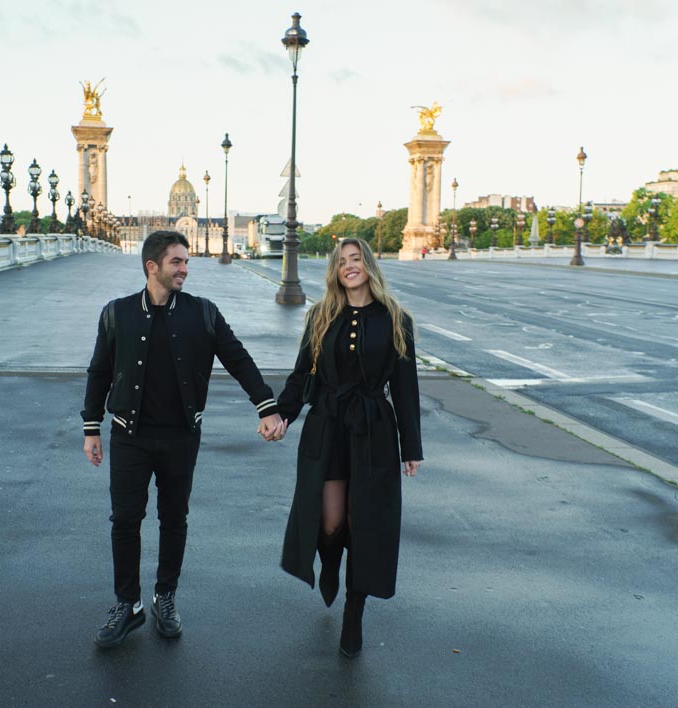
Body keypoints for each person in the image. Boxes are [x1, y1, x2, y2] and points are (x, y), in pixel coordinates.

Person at [82, 230, 284, 649]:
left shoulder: (203, 313)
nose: (185, 269)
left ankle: (165, 596)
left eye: (186, 262)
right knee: (125, 520)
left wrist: (266, 406)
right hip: (129, 435)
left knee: (174, 519)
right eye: (177, 262)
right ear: (152, 266)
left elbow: (238, 359)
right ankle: (128, 604)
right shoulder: (117, 313)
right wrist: (91, 428)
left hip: (180, 436)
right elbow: (99, 372)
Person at [271, 237, 423, 658]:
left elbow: (405, 388)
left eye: (356, 259)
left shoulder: (397, 318)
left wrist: (411, 447)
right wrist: (282, 415)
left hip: (374, 431)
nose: (349, 266)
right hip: (327, 425)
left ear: (369, 265)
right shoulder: (322, 315)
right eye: (342, 262)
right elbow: (302, 374)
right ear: (335, 272)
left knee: (366, 525)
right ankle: (330, 561)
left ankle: (353, 615)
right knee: (330, 521)